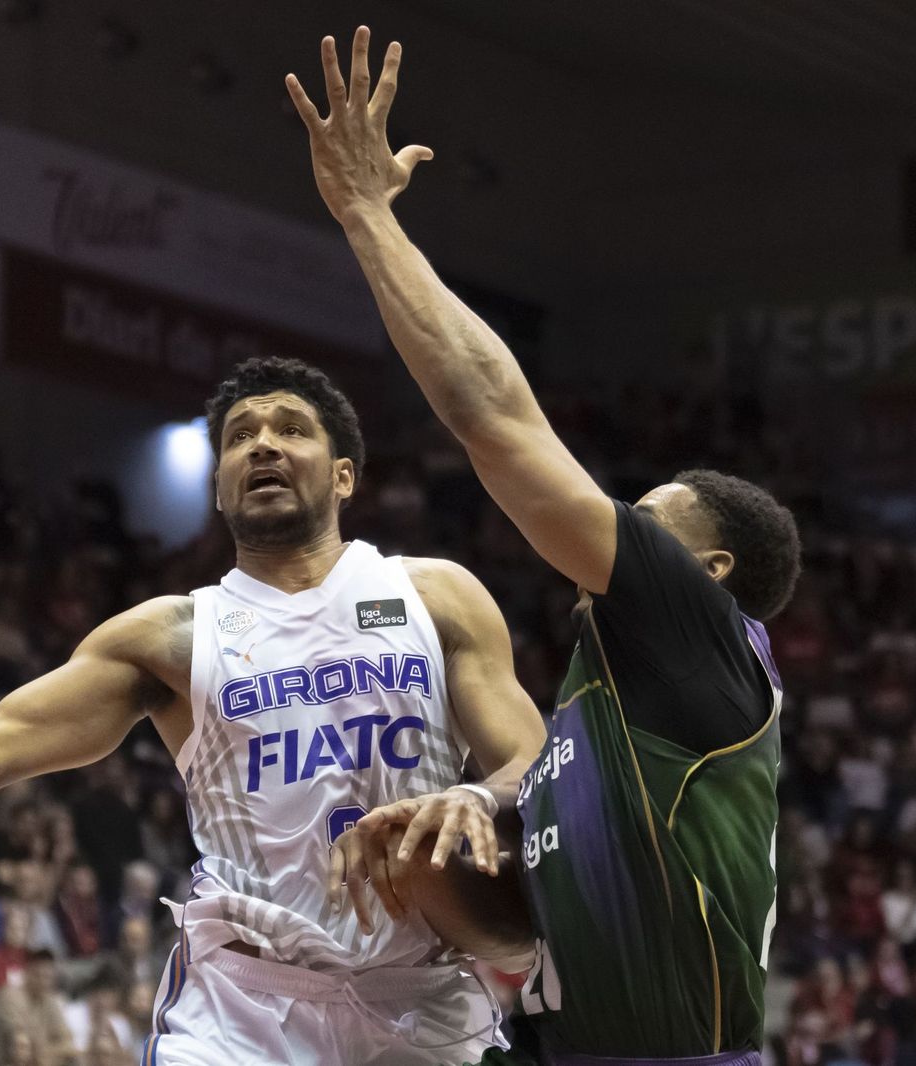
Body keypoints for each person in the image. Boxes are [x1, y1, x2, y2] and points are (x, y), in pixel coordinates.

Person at [0, 353, 548, 1065]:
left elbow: (532, 767)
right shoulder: (169, 636)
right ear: (221, 480)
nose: (263, 445)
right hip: (245, 1010)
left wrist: (475, 797)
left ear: (345, 474)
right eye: (241, 435)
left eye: (291, 429)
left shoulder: (434, 597)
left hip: (424, 995)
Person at [287, 27, 802, 1065]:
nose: (614, 527)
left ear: (703, 573)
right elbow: (524, 929)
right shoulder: (611, 710)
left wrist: (367, 218)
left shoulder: (696, 626)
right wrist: (459, 820)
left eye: (644, 521)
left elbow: (494, 416)